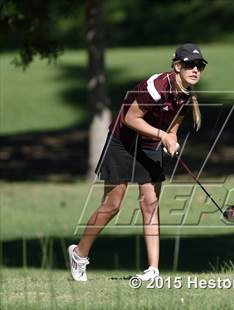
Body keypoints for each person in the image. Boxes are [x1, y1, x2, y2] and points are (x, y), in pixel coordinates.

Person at [68, 43, 207, 282]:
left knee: (150, 203)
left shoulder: (186, 94)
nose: (195, 70)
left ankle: (153, 270)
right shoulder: (156, 87)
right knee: (112, 206)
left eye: (199, 65)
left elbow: (174, 124)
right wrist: (163, 135)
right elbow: (131, 119)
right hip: (122, 141)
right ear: (176, 67)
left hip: (150, 143)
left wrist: (171, 137)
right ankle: (79, 254)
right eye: (189, 65)